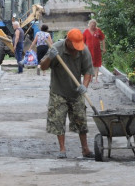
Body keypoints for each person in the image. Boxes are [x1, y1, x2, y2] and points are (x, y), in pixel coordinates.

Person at [40, 28, 94, 159]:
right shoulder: (56, 48)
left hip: (76, 92)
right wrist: (49, 57)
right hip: (58, 91)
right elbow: (43, 66)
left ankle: (85, 149)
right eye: (74, 45)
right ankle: (62, 149)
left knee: (81, 120)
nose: (76, 48)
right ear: (68, 41)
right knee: (58, 120)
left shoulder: (83, 50)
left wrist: (84, 86)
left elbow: (88, 71)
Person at [83, 19, 106, 83]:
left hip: (97, 51)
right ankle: (90, 77)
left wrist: (104, 48)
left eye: (94, 25)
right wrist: (84, 50)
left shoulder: (98, 31)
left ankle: (96, 79)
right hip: (89, 51)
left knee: (96, 65)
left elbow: (103, 39)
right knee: (90, 64)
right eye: (92, 25)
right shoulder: (86, 32)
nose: (93, 27)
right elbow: (83, 42)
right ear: (89, 24)